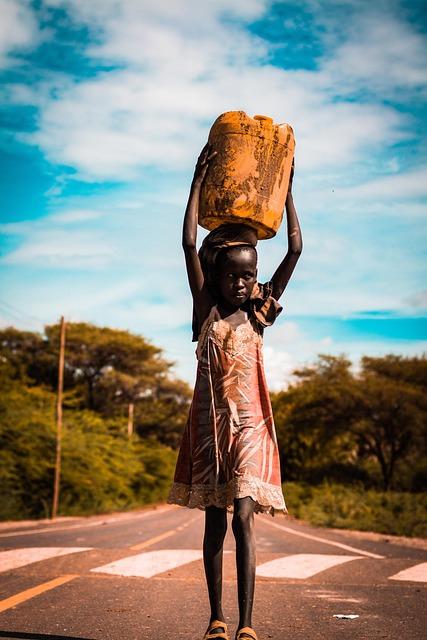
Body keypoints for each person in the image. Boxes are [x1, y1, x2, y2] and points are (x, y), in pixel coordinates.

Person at [167, 142, 303, 640]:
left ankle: (246, 624)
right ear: (218, 277)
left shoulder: (259, 314)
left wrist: (287, 192)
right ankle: (216, 618)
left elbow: (294, 251)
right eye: (235, 275)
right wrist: (196, 186)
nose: (245, 283)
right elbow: (186, 246)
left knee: (244, 517)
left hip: (250, 426)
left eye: (250, 275)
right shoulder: (205, 312)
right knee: (213, 525)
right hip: (209, 430)